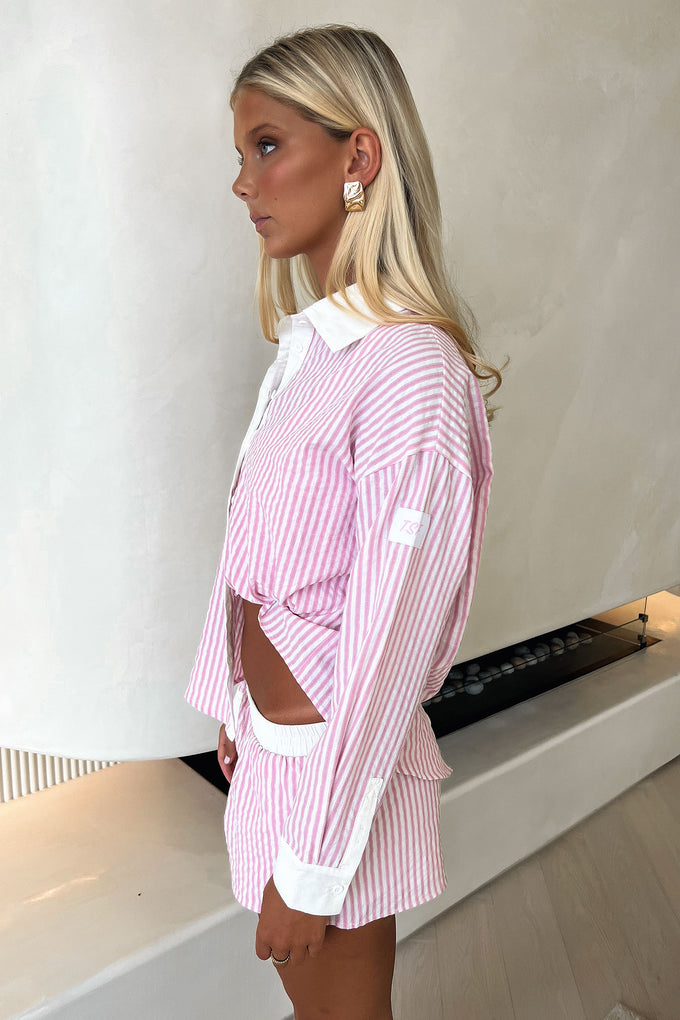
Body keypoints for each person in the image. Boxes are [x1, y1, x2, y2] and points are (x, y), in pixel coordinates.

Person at [185, 24, 500, 1019]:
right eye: (242, 152)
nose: (243, 182)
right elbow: (265, 553)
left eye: (267, 145)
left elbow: (388, 641)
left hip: (332, 766)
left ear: (357, 154)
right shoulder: (314, 351)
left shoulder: (409, 370)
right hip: (276, 749)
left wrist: (316, 866)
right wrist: (235, 700)